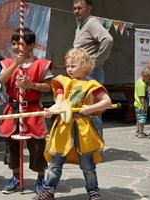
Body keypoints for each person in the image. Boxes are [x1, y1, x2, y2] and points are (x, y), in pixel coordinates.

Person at [33, 48, 112, 200]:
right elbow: (59, 103)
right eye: (67, 66)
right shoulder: (64, 82)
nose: (69, 69)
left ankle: (93, 192)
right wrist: (50, 110)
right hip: (63, 129)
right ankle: (48, 191)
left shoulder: (91, 85)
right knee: (55, 163)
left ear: (85, 66)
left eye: (73, 66)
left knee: (88, 166)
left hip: (83, 132)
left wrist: (90, 108)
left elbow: (107, 102)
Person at [0, 28, 53, 194]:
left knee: (37, 146)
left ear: (31, 46)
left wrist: (30, 85)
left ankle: (40, 178)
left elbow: (48, 87)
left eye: (20, 44)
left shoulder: (41, 64)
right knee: (12, 145)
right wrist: (16, 64)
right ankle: (15, 176)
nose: (15, 47)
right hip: (13, 109)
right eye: (13, 43)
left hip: (33, 109)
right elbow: (1, 80)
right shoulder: (8, 63)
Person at [72, 0, 113, 137]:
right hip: (83, 74)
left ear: (89, 8)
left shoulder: (92, 23)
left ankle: (96, 151)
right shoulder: (80, 27)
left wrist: (96, 62)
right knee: (84, 111)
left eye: (80, 8)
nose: (77, 11)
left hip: (91, 73)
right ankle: (87, 148)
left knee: (93, 112)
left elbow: (108, 40)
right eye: (75, 8)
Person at [134, 66, 150, 139]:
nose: (149, 80)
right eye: (149, 78)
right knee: (142, 119)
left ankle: (138, 131)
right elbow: (142, 97)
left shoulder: (139, 81)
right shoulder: (142, 84)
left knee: (139, 118)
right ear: (145, 76)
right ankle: (141, 133)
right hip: (141, 105)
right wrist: (143, 106)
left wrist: (149, 92)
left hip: (137, 104)